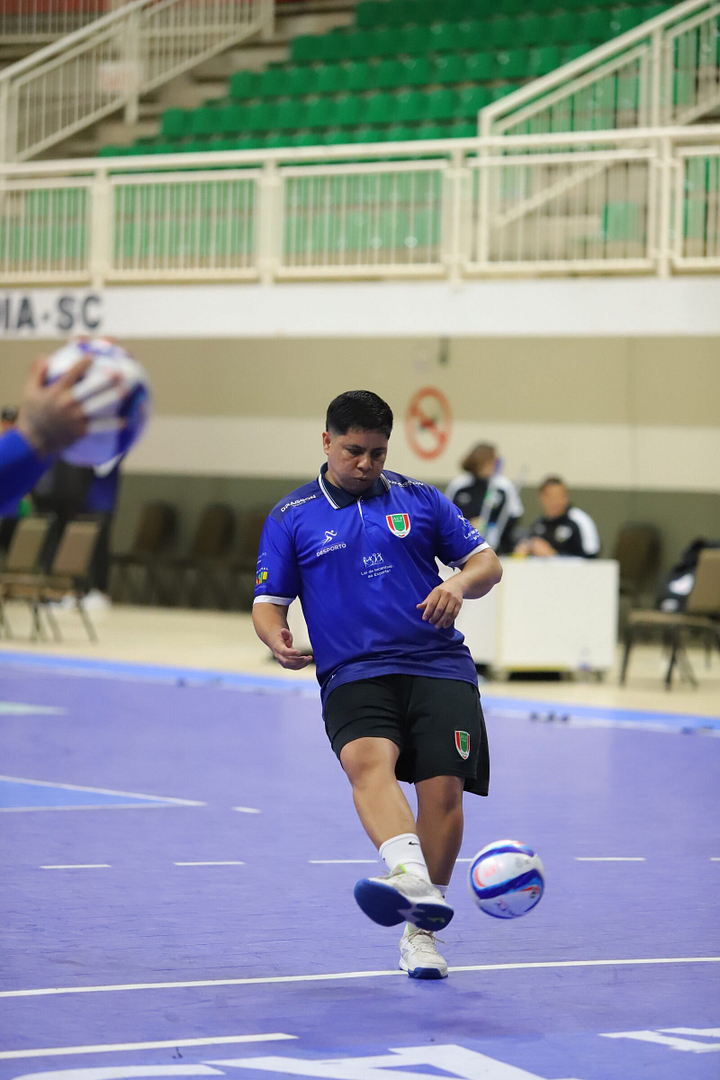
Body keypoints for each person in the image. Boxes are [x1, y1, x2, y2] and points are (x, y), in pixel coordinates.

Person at [252, 391, 502, 980]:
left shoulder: (421, 499)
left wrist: (457, 585)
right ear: (326, 442)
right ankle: (409, 875)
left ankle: (420, 935)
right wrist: (275, 637)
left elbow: (486, 564)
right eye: (352, 451)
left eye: (377, 453)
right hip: (353, 670)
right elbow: (268, 602)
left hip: (438, 664)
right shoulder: (292, 515)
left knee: (443, 791)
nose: (365, 464)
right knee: (368, 762)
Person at [0, 354, 125, 516]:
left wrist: (31, 439)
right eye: (5, 422)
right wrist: (31, 437)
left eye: (10, 421)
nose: (7, 426)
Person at [445, 442, 523, 555]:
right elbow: (447, 517)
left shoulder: (503, 486)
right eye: (490, 461)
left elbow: (514, 515)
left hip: (497, 549)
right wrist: (468, 526)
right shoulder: (459, 486)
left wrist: (492, 528)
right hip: (462, 549)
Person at [515, 476, 600, 559]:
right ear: (541, 498)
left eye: (560, 496)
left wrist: (553, 555)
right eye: (551, 497)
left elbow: (591, 557)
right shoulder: (537, 524)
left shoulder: (580, 521)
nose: (556, 501)